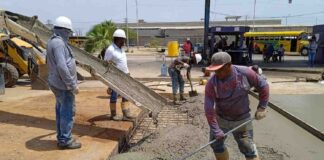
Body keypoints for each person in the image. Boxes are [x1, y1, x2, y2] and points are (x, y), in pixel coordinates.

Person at [204, 52, 269, 160]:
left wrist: (262, 107)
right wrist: (216, 129)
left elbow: (263, 86)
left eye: (220, 70)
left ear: (229, 65)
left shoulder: (244, 73)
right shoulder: (212, 83)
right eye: (215, 70)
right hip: (221, 119)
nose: (217, 73)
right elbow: (209, 109)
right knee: (216, 144)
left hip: (242, 120)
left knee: (247, 148)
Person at [46, 16, 81, 149]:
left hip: (56, 83)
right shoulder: (59, 43)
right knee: (67, 111)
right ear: (65, 30)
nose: (69, 35)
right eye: (69, 32)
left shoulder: (52, 41)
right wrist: (72, 85)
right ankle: (65, 140)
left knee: (61, 111)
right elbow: (62, 66)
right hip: (63, 85)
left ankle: (62, 137)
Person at [104, 29, 136, 121]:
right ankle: (113, 114)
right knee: (114, 95)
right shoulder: (110, 50)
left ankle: (126, 113)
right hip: (115, 77)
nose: (124, 42)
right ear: (119, 39)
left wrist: (128, 73)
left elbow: (123, 63)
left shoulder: (121, 49)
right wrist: (108, 81)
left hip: (125, 76)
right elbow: (106, 65)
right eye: (124, 40)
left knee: (126, 94)